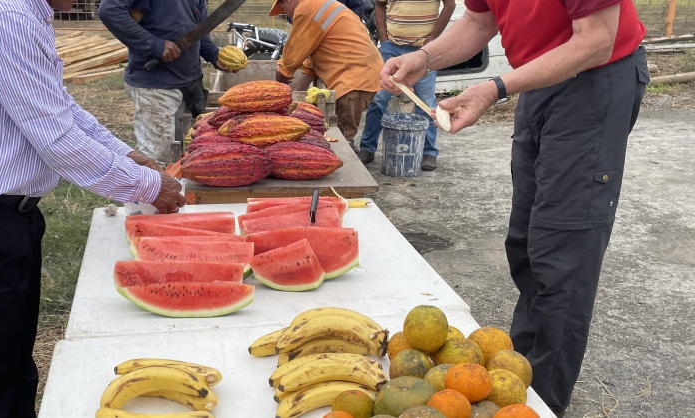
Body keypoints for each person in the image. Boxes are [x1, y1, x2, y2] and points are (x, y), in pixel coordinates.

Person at [379, 1, 647, 416]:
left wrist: (496, 87)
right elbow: (479, 20)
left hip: (594, 81)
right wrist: (424, 57)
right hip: (538, 81)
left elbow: (595, 41)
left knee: (563, 250)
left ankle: (542, 405)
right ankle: (517, 381)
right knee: (526, 243)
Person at [0, 0, 186, 416]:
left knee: (8, 359)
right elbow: (57, 139)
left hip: (1, 215)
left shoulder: (19, 13)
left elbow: (59, 106)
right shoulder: (3, 17)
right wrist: (149, 185)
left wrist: (122, 153)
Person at [98, 0, 233, 168]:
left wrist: (212, 54)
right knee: (158, 161)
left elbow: (198, 27)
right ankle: (152, 192)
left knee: (187, 155)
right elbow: (109, 10)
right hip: (156, 86)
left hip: (189, 83)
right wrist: (154, 45)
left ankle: (180, 192)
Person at [356, 0, 455, 170]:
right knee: (378, 99)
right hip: (391, 48)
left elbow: (450, 5)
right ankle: (367, 148)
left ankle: (429, 152)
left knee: (425, 102)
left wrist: (432, 39)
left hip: (423, 51)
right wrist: (384, 39)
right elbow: (379, 5)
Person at [271, 0, 384, 146]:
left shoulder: (306, 9)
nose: (287, 15)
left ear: (287, 1)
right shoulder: (318, 6)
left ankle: (346, 163)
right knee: (337, 135)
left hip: (353, 81)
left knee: (339, 139)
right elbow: (313, 62)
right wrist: (297, 93)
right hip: (365, 74)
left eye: (284, 10)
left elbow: (293, 52)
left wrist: (280, 80)